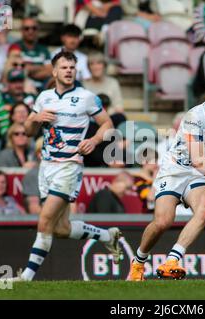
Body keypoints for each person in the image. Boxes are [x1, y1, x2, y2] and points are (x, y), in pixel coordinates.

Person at [127, 72, 205, 281]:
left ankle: (172, 261)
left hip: (198, 174)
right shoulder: (195, 116)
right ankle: (139, 261)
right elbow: (198, 160)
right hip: (175, 169)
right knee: (163, 222)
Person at [10, 50, 122, 282]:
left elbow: (108, 124)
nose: (68, 71)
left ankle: (26, 277)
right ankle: (106, 236)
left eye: (72, 67)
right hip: (46, 167)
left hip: (69, 167)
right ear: (54, 71)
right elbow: (29, 132)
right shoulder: (43, 98)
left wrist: (93, 140)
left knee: (44, 220)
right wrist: (35, 118)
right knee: (60, 228)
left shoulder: (86, 97)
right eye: (64, 67)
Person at [14, 18, 52, 91]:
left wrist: (30, 71)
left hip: (43, 87)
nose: (30, 31)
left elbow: (50, 71)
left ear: (38, 30)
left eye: (34, 28)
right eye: (26, 28)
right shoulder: (15, 47)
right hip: (22, 88)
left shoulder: (44, 49)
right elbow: (19, 70)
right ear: (21, 30)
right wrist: (42, 67)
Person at [22, 137, 43, 215]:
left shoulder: (63, 173)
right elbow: (34, 208)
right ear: (39, 154)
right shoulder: (33, 175)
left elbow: (72, 204)